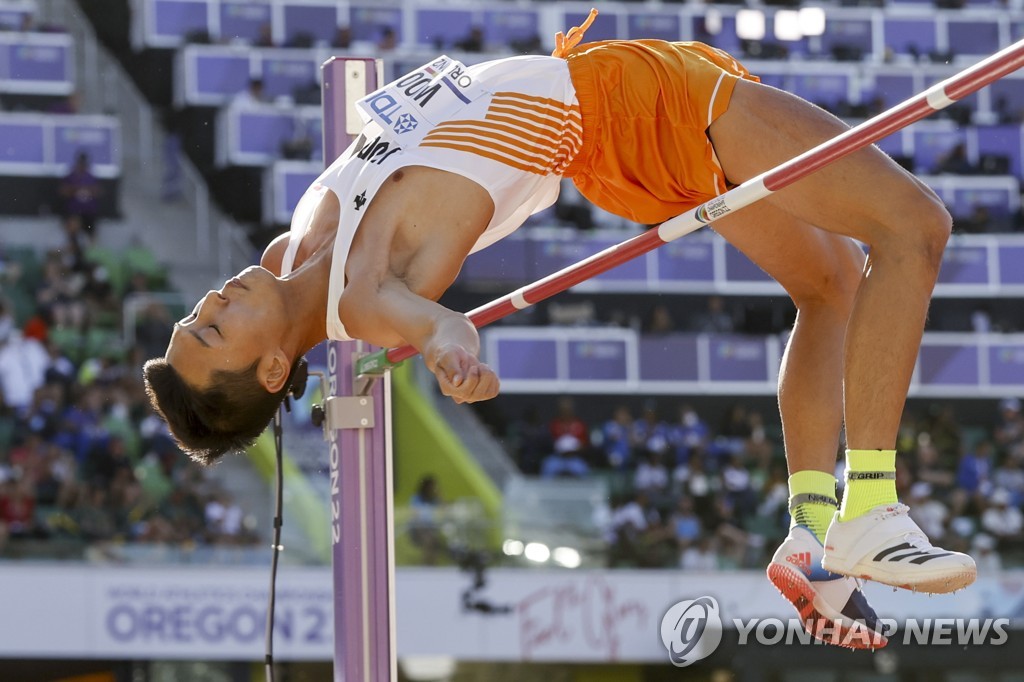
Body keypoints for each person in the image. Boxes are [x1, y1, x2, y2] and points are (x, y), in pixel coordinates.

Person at [145, 9, 975, 646]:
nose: (211, 301)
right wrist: (452, 351)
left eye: (195, 313)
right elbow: (428, 324)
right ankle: (873, 507)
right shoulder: (362, 291)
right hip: (640, 115)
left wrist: (258, 353)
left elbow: (285, 310)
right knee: (913, 228)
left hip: (624, 115)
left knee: (830, 284)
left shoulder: (299, 245)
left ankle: (811, 534)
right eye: (214, 330)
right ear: (267, 368)